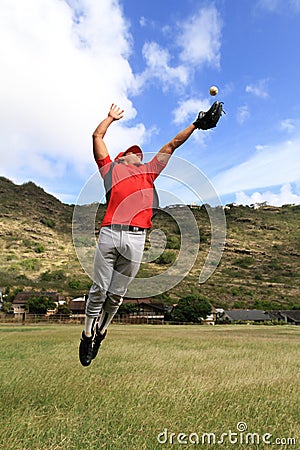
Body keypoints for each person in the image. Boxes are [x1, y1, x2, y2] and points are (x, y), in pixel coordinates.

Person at [79, 102, 209, 366]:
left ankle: (101, 331)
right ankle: (86, 334)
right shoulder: (111, 170)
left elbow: (172, 144)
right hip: (110, 233)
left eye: (140, 153)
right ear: (120, 158)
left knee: (116, 295)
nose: (138, 154)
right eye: (132, 153)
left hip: (138, 238)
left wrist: (196, 125)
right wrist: (110, 118)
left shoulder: (149, 173)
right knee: (99, 290)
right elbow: (97, 137)